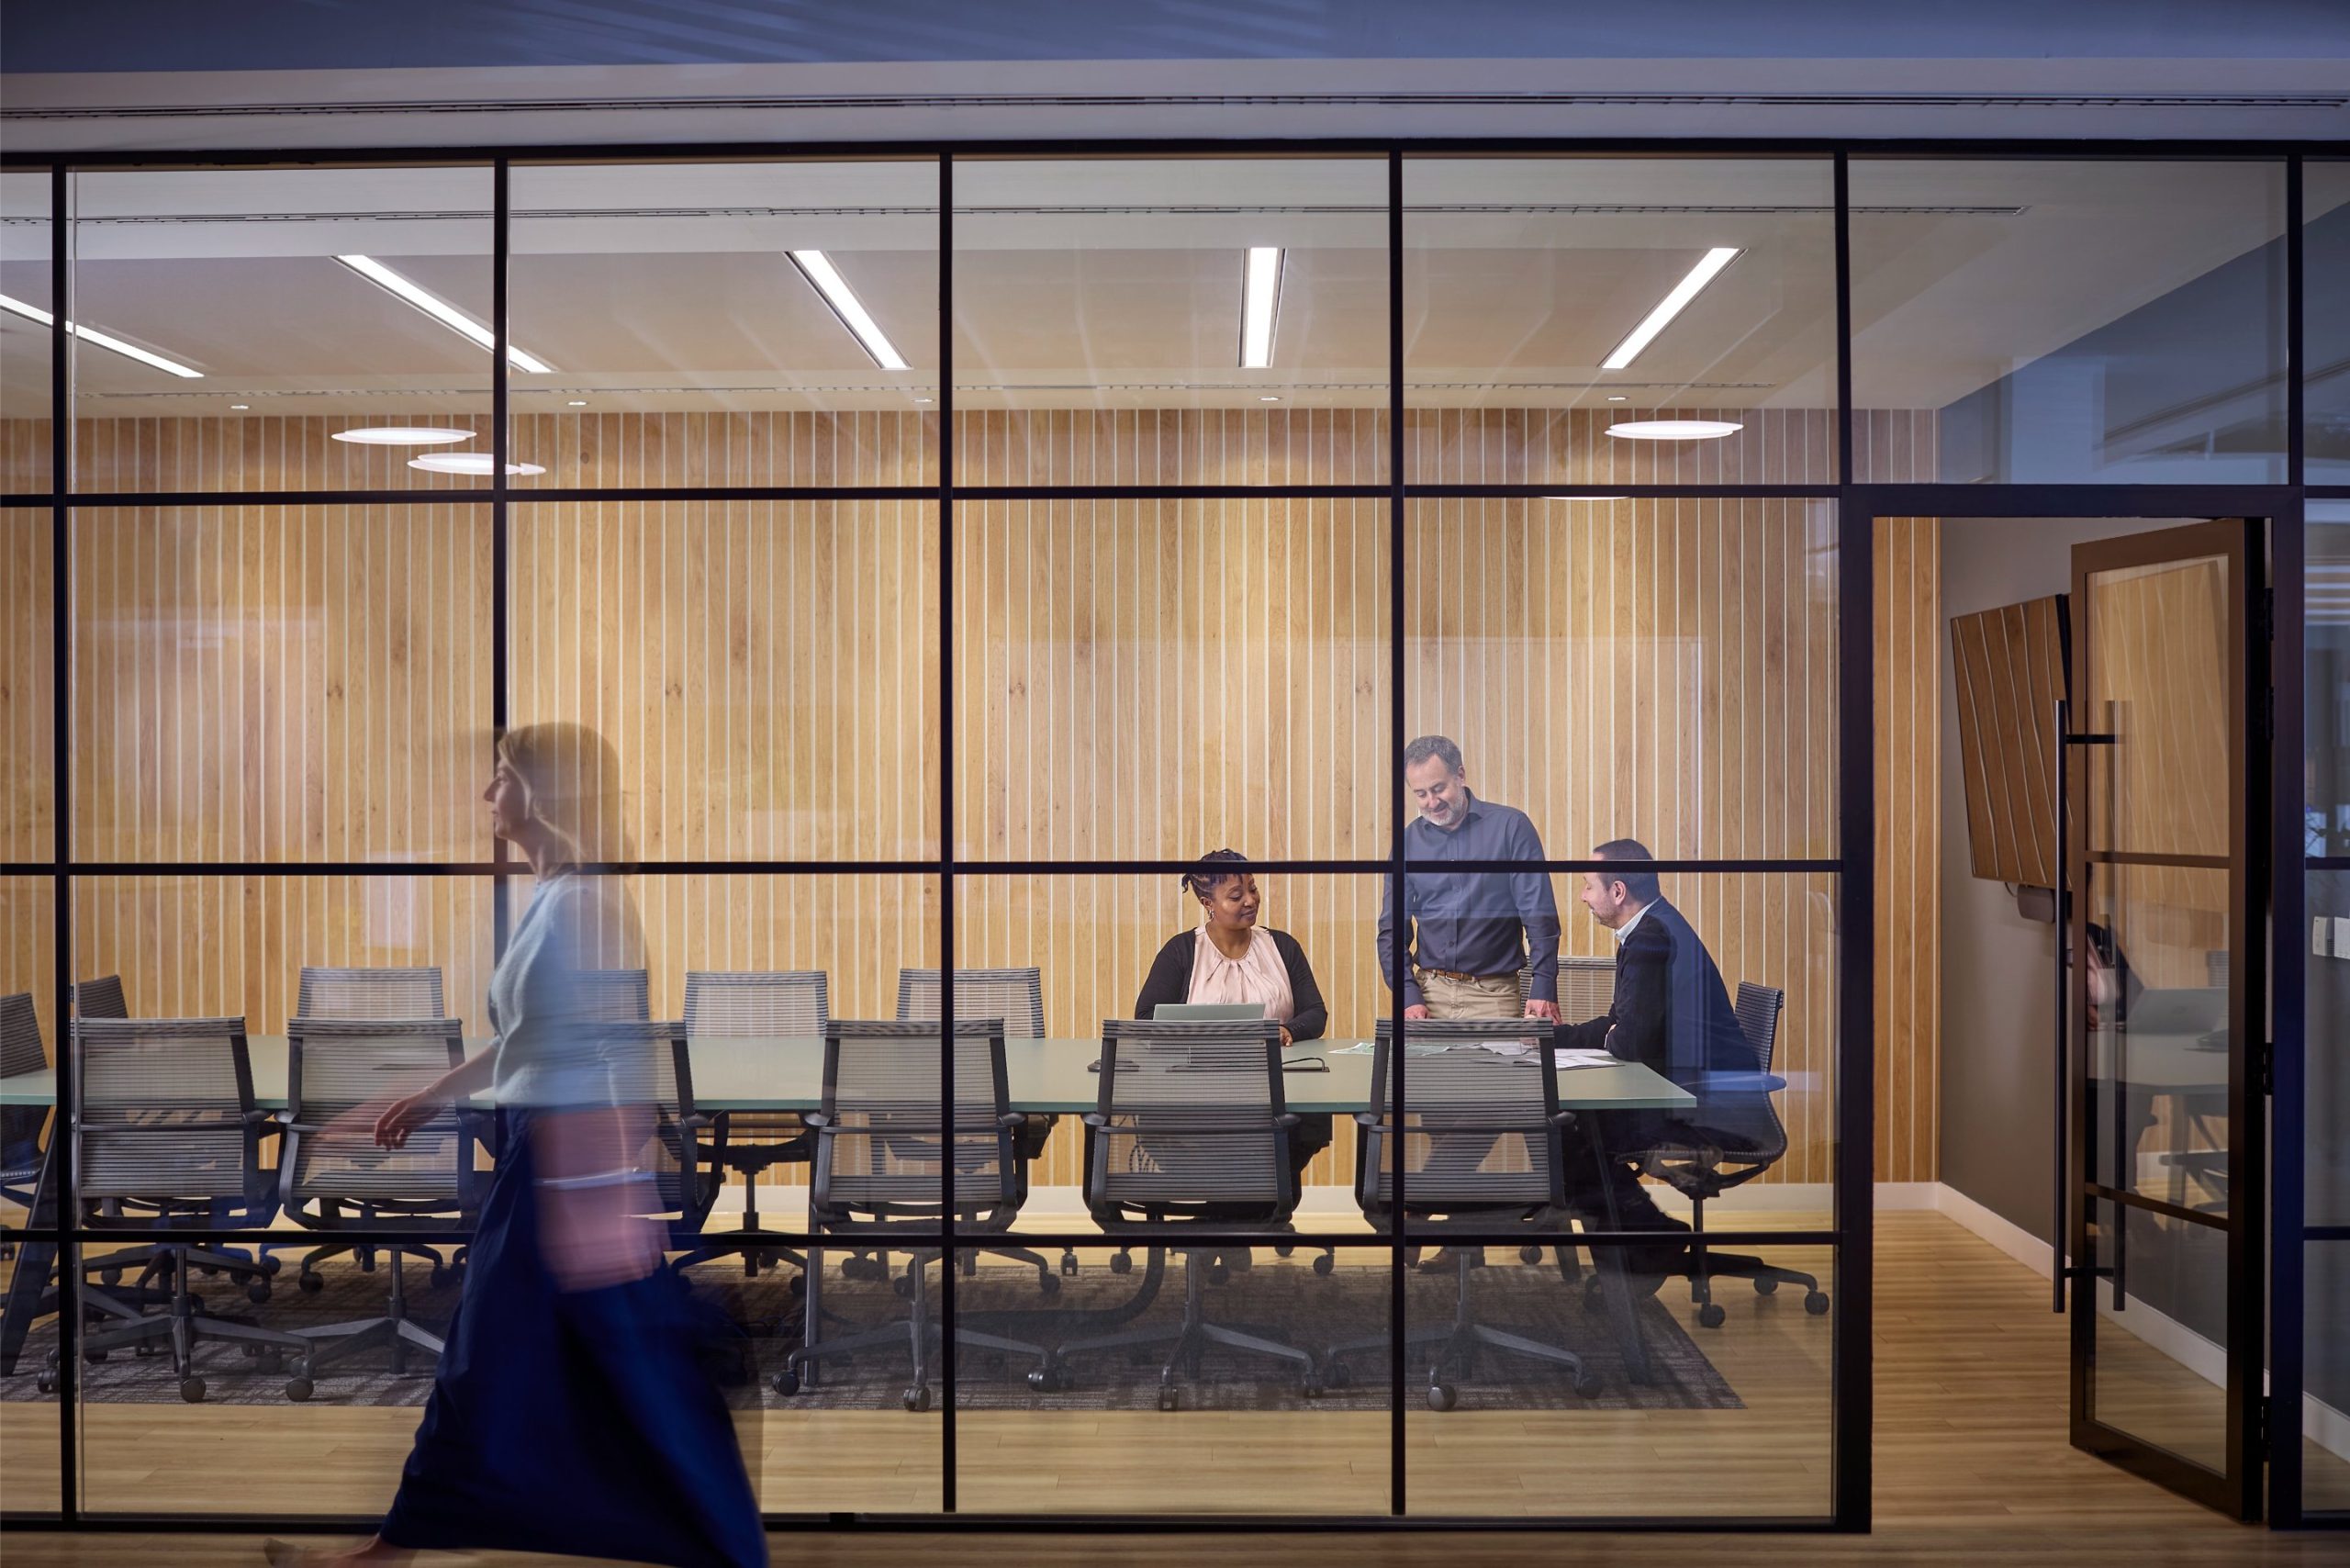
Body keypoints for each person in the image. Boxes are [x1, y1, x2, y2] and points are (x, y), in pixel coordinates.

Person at [268, 722, 766, 1568]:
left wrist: (602, 1190)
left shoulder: (586, 904)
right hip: (542, 1161)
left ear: (542, 791)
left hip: (566, 1171)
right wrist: (429, 1095)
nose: (487, 795)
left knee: (568, 1370)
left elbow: (610, 1054)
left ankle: (724, 1545)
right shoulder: (556, 896)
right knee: (530, 1366)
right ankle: (394, 1550)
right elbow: (529, 1041)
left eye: (501, 777)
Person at [1557, 838, 1750, 1280]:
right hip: (1685, 1086)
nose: (1584, 896)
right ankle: (1646, 1242)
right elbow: (1619, 1024)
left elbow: (1627, 1045)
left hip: (1697, 1102)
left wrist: (1606, 1036)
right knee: (1572, 1128)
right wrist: (1555, 1039)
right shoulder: (1652, 927)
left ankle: (1645, 1246)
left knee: (1567, 1131)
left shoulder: (1650, 938)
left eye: (1588, 886)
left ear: (1618, 891)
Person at [1134, 849, 1333, 1191]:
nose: (1251, 901)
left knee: (1303, 1123)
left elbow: (1315, 1012)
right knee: (1216, 1146)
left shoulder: (1282, 946)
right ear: (1207, 902)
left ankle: (1227, 1222)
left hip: (1276, 1085)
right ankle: (1241, 1219)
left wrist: (1288, 1030)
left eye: (1253, 889)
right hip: (1196, 1089)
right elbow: (1145, 1019)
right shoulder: (1181, 951)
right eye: (1236, 896)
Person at [1374, 734, 1562, 1025]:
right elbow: (1392, 930)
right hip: (1428, 993)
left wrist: (1544, 984)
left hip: (1494, 994)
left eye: (1439, 789)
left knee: (1497, 1070)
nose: (1432, 802)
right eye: (1420, 794)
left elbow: (1539, 914)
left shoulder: (1510, 827)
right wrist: (1407, 994)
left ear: (1460, 775)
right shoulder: (1408, 842)